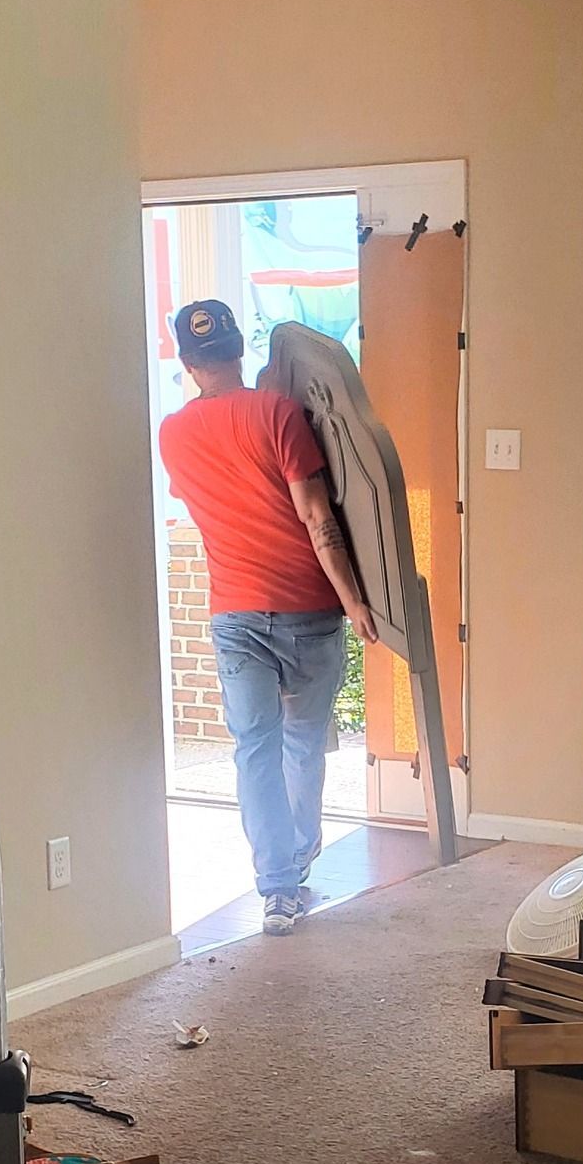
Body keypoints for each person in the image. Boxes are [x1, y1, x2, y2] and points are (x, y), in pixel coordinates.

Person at [159, 298, 379, 934]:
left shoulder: (173, 432)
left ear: (189, 362)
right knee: (302, 743)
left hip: (233, 611)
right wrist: (355, 600)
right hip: (308, 606)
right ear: (238, 351)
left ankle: (276, 888)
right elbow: (317, 516)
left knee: (253, 749)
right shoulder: (279, 413)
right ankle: (300, 859)